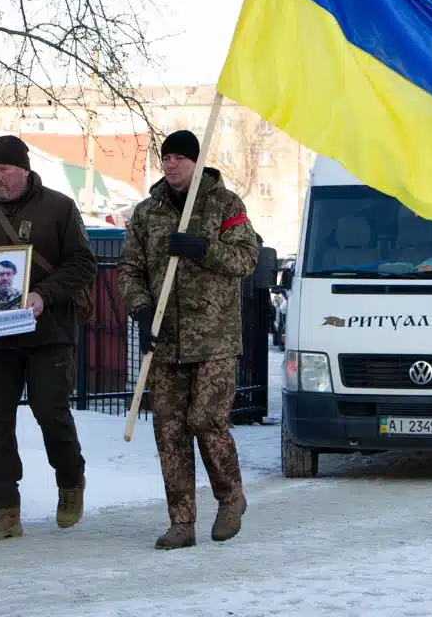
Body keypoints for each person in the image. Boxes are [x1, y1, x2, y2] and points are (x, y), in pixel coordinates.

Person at [0, 135, 98, 541]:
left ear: (24, 170)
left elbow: (84, 263)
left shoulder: (59, 207)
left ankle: (70, 480)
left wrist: (44, 295)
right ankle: (4, 509)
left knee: (50, 411)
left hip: (49, 333)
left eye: (5, 169)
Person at [118, 129, 259, 550]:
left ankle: (231, 498)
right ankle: (181, 520)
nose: (172, 164)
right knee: (170, 431)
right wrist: (142, 310)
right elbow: (129, 269)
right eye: (167, 158)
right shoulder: (148, 213)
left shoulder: (225, 204)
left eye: (180, 157)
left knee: (206, 420)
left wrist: (203, 248)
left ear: (196, 163)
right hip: (166, 341)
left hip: (214, 339)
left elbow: (247, 259)